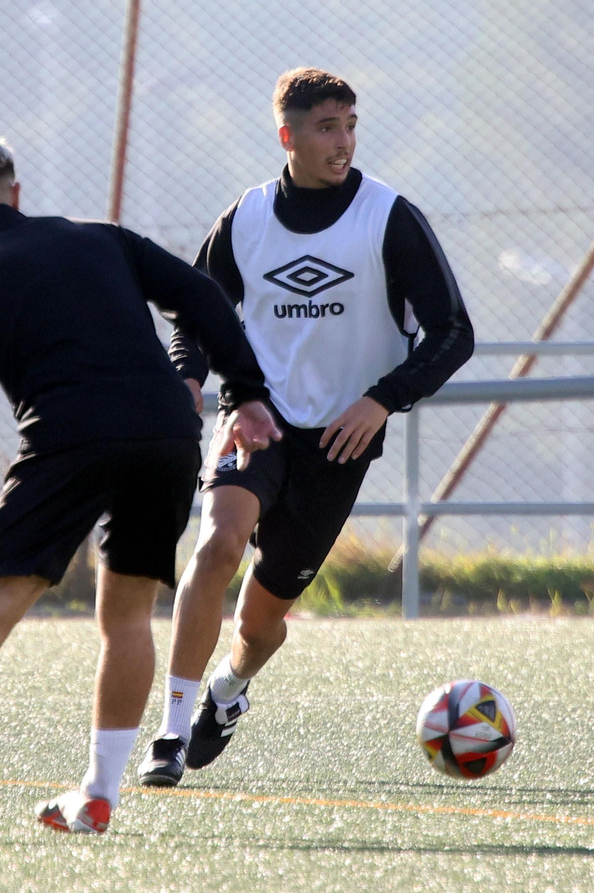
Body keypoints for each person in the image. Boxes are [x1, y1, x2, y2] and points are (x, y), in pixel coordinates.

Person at [0, 132, 280, 839]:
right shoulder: (101, 239)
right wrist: (248, 391)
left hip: (67, 439)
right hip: (165, 433)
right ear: (16, 193)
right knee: (127, 617)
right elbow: (199, 294)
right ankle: (98, 795)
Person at [138, 69, 475, 786]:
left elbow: (453, 334)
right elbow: (195, 318)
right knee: (216, 546)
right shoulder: (247, 219)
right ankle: (167, 732)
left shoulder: (390, 218)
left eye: (350, 124)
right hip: (254, 417)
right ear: (287, 136)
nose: (343, 141)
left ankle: (228, 691)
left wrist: (383, 399)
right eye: (327, 127)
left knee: (261, 624)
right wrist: (187, 380)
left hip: (339, 445)